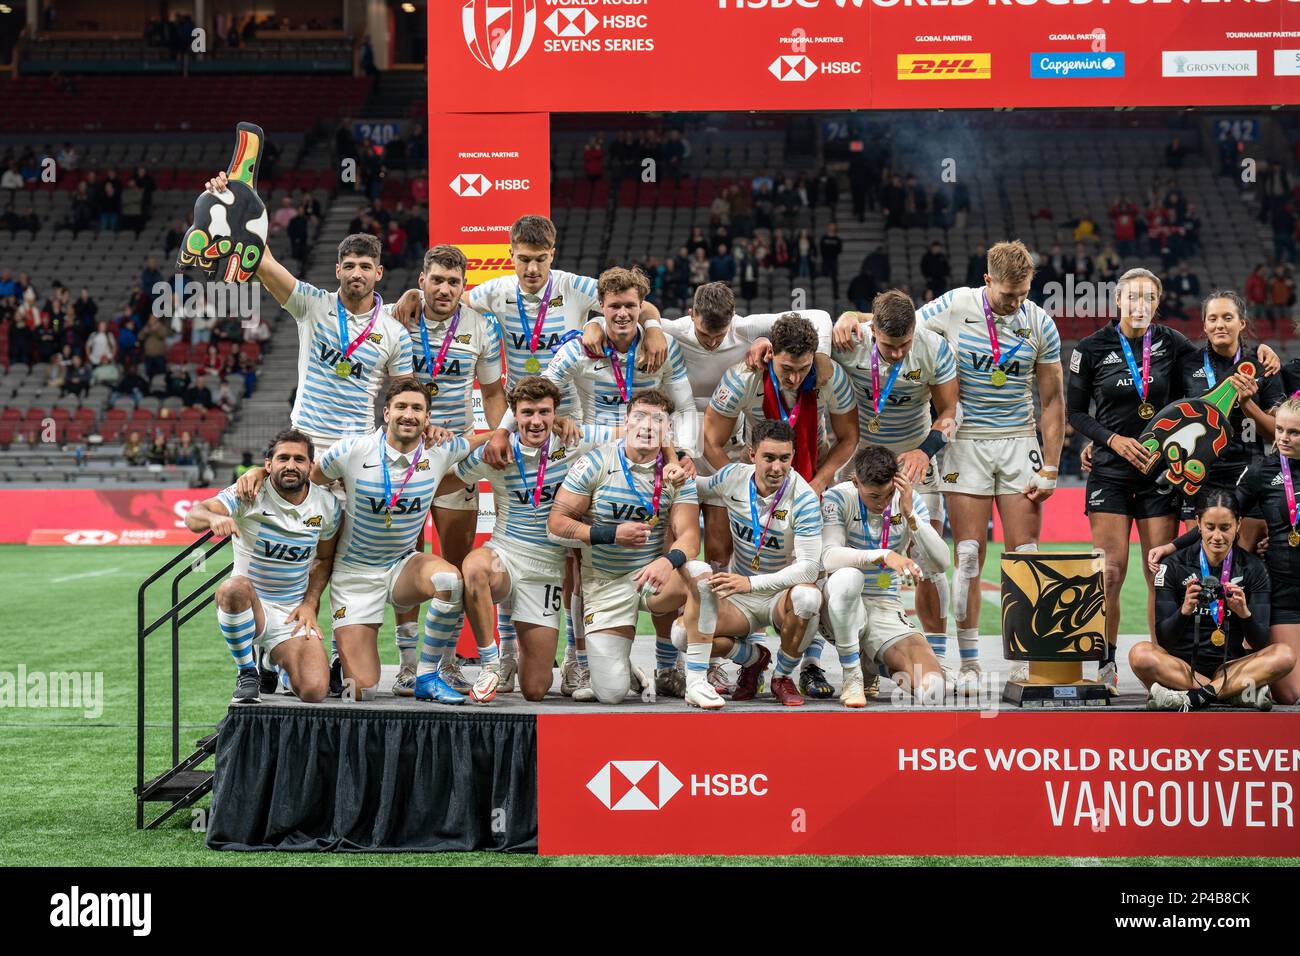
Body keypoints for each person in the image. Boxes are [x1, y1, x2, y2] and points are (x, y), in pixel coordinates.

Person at [493, 266, 698, 698]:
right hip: (591, 456)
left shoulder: (661, 346)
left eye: (630, 306)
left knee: (663, 548)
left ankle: (667, 664)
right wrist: (501, 431)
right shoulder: (580, 346)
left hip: (651, 454)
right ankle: (577, 660)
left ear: (641, 307)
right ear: (600, 308)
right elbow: (538, 390)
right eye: (613, 307)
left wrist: (682, 455)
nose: (622, 314)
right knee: (577, 562)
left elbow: (684, 406)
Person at [918, 240, 1065, 686]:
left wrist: (1053, 467)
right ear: (986, 282)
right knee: (966, 557)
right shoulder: (955, 305)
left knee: (1025, 555)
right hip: (964, 441)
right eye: (1006, 295)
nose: (1015, 303)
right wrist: (851, 319)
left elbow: (1053, 399)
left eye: (1022, 294)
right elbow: (900, 324)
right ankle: (966, 662)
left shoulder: (1039, 322)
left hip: (1019, 441)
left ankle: (1027, 656)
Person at [204, 170, 412, 463]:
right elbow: (261, 259)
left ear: (378, 273)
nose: (356, 273)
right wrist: (230, 201)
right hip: (305, 448)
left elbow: (405, 398)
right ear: (337, 270)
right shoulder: (311, 304)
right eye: (349, 265)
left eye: (365, 266)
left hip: (360, 452)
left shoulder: (394, 330)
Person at [704, 313, 859, 698]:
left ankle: (808, 665)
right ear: (770, 354)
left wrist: (819, 483)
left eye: (802, 368)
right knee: (722, 553)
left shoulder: (828, 375)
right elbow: (711, 438)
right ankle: (745, 655)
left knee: (813, 575)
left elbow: (849, 437)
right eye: (786, 369)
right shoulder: (745, 374)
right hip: (754, 474)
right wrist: (738, 485)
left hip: (809, 474)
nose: (794, 378)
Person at [1066, 269, 1206, 686]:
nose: (1140, 305)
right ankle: (1105, 665)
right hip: (1110, 472)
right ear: (1118, 301)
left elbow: (1197, 393)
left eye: (1149, 298)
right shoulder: (1090, 348)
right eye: (1133, 297)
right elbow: (1075, 413)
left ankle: (1158, 666)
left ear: (1157, 303)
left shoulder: (1173, 344)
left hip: (1159, 475)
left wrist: (1262, 354)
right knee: (1109, 572)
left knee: (1157, 571)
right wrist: (1111, 440)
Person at [314, 379, 486, 703]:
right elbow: (309, 482)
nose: (409, 415)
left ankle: (425, 676)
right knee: (360, 690)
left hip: (401, 566)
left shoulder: (440, 450)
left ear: (427, 418)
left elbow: (490, 441)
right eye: (402, 407)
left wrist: (515, 432)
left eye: (417, 409)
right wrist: (257, 476)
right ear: (386, 412)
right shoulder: (351, 451)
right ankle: (330, 661)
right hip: (355, 575)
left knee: (449, 580)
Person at [383, 245, 507, 696]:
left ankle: (447, 661)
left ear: (464, 286)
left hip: (455, 455)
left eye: (454, 282)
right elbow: (385, 383)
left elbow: (492, 391)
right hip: (404, 454)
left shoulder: (479, 326)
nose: (445, 289)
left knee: (453, 561)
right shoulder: (399, 318)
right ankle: (407, 662)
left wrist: (499, 434)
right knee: (407, 560)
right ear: (422, 279)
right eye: (437, 279)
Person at [547, 389, 719, 708]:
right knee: (612, 694)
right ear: (626, 422)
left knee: (702, 576)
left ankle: (696, 681)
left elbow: (690, 539)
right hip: (604, 582)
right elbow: (556, 523)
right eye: (639, 417)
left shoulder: (676, 477)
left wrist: (667, 562)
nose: (647, 425)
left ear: (667, 432)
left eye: (657, 420)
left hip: (649, 578)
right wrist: (609, 534)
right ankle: (624, 671)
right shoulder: (595, 462)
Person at [450, 377, 615, 701]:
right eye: (527, 413)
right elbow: (446, 479)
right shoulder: (497, 450)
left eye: (544, 412)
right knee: (474, 569)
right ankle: (491, 664)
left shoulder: (576, 440)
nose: (536, 421)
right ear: (514, 415)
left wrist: (675, 457)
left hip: (547, 570)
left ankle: (530, 659)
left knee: (535, 689)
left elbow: (634, 437)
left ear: (556, 414)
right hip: (506, 554)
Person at [829, 290, 959, 684]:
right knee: (833, 557)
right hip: (857, 457)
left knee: (930, 563)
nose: (899, 353)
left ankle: (936, 654)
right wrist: (844, 315)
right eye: (889, 345)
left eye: (905, 344)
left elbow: (952, 411)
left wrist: (925, 450)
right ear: (872, 329)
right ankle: (823, 658)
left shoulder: (934, 348)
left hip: (915, 458)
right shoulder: (850, 340)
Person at [184, 429, 341, 704]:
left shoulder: (326, 505)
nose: (290, 465)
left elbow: (324, 559)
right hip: (250, 605)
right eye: (283, 458)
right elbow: (192, 516)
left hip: (290, 613)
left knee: (314, 691)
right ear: (268, 465)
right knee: (234, 588)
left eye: (299, 459)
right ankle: (247, 671)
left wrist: (310, 603)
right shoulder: (249, 492)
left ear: (310, 466)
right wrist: (212, 518)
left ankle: (273, 663)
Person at [690, 421, 824, 706]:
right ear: (752, 454)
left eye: (784, 459)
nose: (777, 467)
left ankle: (782, 676)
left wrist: (751, 583)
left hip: (780, 594)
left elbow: (810, 568)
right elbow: (697, 489)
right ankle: (752, 658)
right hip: (741, 599)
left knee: (808, 597)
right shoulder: (732, 477)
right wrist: (678, 473)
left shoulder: (804, 499)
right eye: (769, 458)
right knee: (682, 634)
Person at [1138, 491, 1290, 711]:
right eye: (1210, 527)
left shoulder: (1254, 568)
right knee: (1141, 654)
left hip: (1231, 666)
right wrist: (1184, 611)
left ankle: (1194, 697)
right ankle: (1231, 693)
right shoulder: (1172, 566)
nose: (1217, 536)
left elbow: (1260, 642)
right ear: (1198, 523)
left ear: (1238, 524)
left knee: (1284, 655)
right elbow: (1164, 640)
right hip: (1182, 667)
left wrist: (1244, 614)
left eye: (1225, 528)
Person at [822, 446, 949, 706]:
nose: (881, 503)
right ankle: (853, 673)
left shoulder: (906, 500)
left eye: (888, 493)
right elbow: (828, 556)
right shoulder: (837, 497)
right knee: (848, 578)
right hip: (839, 603)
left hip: (884, 604)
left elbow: (942, 562)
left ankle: (874, 662)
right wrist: (883, 555)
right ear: (856, 481)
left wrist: (911, 515)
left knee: (933, 688)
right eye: (873, 496)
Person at [1177, 290, 1283, 551]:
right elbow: (1169, 420)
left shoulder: (1261, 366)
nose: (1220, 325)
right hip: (1199, 475)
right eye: (1212, 319)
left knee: (1245, 563)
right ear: (1204, 325)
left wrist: (1248, 405)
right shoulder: (1185, 366)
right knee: (1202, 565)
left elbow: (1276, 435)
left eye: (1227, 317)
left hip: (1249, 473)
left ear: (1242, 323)